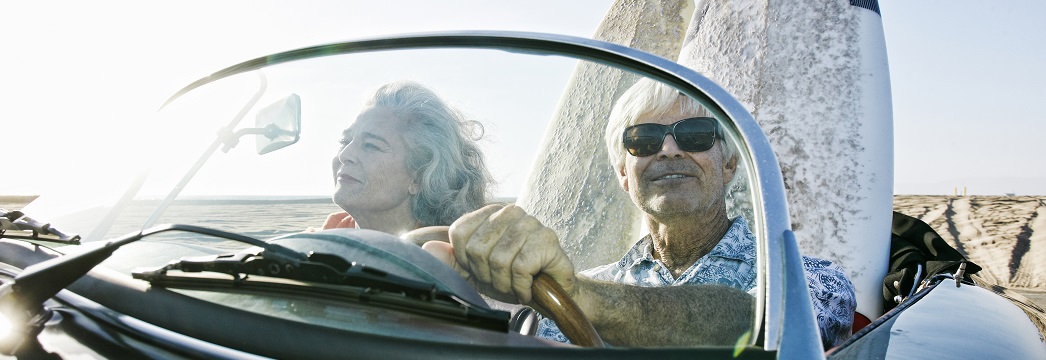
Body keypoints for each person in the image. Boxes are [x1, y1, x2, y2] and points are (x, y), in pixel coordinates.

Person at [423, 78, 855, 348]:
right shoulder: (582, 291)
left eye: (695, 134)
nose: (668, 149)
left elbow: (769, 327)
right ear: (624, 175)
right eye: (644, 140)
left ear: (728, 165)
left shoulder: (809, 281)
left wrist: (577, 296)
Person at [321, 81, 492, 238]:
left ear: (418, 177)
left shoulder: (451, 258)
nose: (344, 155)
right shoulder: (323, 237)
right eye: (345, 141)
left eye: (371, 145)